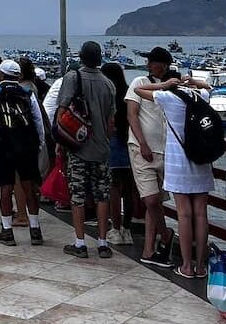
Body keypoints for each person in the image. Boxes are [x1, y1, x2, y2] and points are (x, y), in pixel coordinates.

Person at [135, 72, 214, 278]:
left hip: (179, 163)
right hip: (202, 161)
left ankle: (187, 266)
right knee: (201, 213)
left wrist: (164, 85)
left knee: (184, 215)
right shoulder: (199, 96)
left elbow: (138, 90)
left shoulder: (168, 97)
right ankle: (200, 266)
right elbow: (208, 87)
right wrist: (194, 82)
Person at [56, 42, 117, 259]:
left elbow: (62, 111)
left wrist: (60, 140)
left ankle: (80, 242)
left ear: (81, 57)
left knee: (77, 196)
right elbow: (111, 123)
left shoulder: (73, 78)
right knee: (102, 196)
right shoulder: (109, 84)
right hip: (101, 149)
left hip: (78, 147)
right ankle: (102, 242)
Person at [0, 59, 45, 247]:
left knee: (6, 188)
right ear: (18, 76)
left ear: (2, 75)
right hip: (26, 145)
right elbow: (38, 120)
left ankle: (7, 231)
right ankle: (35, 229)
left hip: (4, 145)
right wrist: (39, 143)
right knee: (29, 187)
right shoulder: (27, 93)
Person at [125, 47, 175, 267]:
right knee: (151, 199)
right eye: (150, 61)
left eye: (153, 62)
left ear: (163, 65)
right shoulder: (139, 83)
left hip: (165, 151)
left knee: (157, 201)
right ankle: (165, 235)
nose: (149, 64)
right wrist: (143, 143)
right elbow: (132, 114)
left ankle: (148, 249)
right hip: (141, 148)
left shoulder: (171, 88)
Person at [101, 62, 135, 246]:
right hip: (129, 141)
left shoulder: (109, 94)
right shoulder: (129, 92)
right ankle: (127, 230)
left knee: (113, 187)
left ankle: (115, 228)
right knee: (128, 189)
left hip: (113, 141)